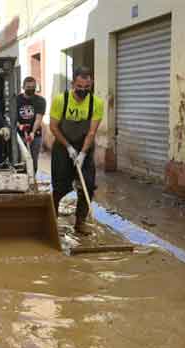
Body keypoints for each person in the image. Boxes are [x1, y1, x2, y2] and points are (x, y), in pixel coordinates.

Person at [49, 66, 104, 235]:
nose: (83, 91)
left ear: (91, 84)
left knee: (87, 186)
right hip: (62, 147)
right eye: (79, 87)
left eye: (87, 88)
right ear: (73, 83)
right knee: (60, 187)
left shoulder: (96, 103)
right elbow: (53, 127)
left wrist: (82, 153)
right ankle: (51, 220)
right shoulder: (61, 100)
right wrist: (68, 148)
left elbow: (92, 132)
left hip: (84, 148)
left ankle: (80, 222)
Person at [16, 76, 46, 173]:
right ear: (23, 87)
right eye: (28, 87)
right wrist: (19, 125)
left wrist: (33, 132)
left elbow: (38, 118)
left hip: (35, 135)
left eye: (33, 87)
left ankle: (32, 180)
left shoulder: (40, 101)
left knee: (33, 161)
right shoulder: (16, 100)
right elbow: (12, 117)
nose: (31, 89)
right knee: (21, 160)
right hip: (19, 135)